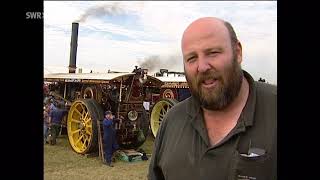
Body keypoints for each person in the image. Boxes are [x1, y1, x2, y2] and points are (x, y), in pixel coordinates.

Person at [148, 17, 277, 180]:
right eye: (192, 58)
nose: (202, 67)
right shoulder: (171, 121)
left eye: (213, 53)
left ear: (237, 52)